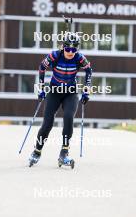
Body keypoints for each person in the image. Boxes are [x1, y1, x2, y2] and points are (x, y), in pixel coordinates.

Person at [29, 32, 92, 166]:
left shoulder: (79, 58)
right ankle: (37, 151)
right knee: (47, 123)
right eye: (68, 48)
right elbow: (42, 67)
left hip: (70, 92)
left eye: (74, 49)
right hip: (55, 91)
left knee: (68, 117)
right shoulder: (55, 55)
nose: (70, 51)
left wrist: (86, 91)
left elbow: (89, 71)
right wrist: (41, 88)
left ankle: (64, 153)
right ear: (63, 47)